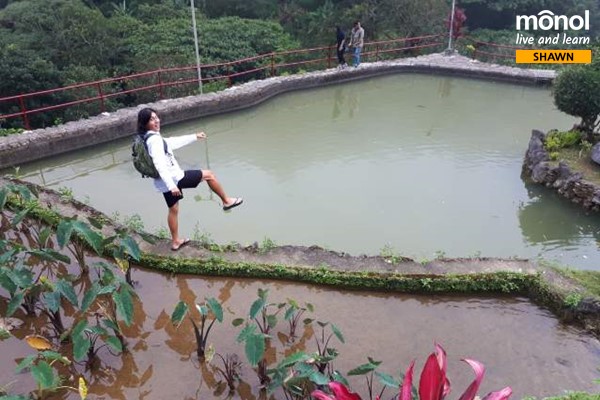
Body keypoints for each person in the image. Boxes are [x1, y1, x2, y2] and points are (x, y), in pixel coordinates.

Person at [136, 107, 243, 251]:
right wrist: (172, 186)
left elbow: (171, 143)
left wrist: (194, 137)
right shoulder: (154, 140)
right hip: (174, 179)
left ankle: (175, 241)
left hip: (164, 182)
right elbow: (159, 164)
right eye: (152, 119)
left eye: (156, 117)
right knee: (209, 175)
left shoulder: (148, 138)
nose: (156, 121)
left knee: (173, 209)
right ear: (145, 123)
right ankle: (226, 201)